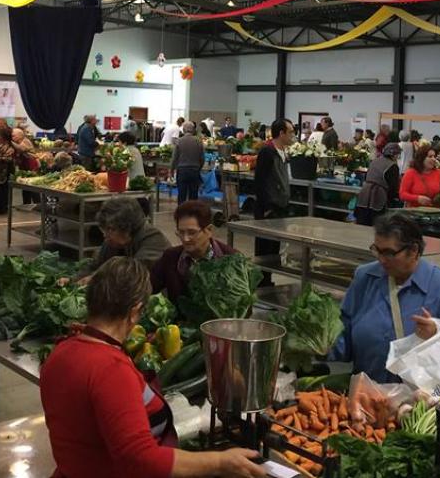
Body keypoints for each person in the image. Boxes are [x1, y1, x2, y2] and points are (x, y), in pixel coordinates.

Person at [41, 257, 266, 478]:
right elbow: (140, 460)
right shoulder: (110, 370)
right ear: (134, 311)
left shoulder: (60, 353)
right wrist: (220, 462)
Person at [331, 213, 440, 383]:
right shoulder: (365, 278)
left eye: (389, 253)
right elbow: (345, 338)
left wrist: (438, 337)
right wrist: (320, 344)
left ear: (414, 251)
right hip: (366, 398)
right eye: (377, 250)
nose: (381, 259)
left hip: (418, 402)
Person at [150, 200, 237, 304]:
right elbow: (149, 288)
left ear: (209, 230)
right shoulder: (170, 257)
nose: (186, 239)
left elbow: (243, 307)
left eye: (192, 232)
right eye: (181, 232)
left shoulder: (232, 260)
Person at [84, 197, 170, 278]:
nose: (105, 235)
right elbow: (94, 265)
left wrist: (95, 278)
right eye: (105, 229)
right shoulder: (114, 240)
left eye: (111, 229)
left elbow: (131, 275)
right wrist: (75, 280)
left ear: (127, 228)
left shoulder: (153, 240)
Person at [254, 118, 294, 283]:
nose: (293, 135)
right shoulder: (266, 152)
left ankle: (268, 280)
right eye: (291, 132)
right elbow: (260, 181)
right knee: (264, 250)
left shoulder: (283, 152)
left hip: (280, 208)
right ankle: (261, 284)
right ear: (281, 133)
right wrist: (266, 207)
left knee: (274, 249)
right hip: (268, 210)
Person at [355, 143, 401, 226]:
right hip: (378, 197)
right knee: (375, 225)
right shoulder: (392, 166)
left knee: (362, 223)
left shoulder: (374, 161)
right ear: (394, 155)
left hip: (364, 194)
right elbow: (393, 188)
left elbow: (367, 177)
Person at [171, 121, 204, 203]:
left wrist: (171, 170)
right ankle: (192, 213)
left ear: (184, 130)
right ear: (193, 130)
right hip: (194, 171)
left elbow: (174, 158)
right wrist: (199, 168)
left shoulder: (179, 141)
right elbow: (202, 158)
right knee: (193, 196)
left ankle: (181, 214)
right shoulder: (199, 141)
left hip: (182, 171)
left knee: (181, 195)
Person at [0, 126, 15, 215]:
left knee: (3, 190)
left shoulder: (10, 147)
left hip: (4, 170)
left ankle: (2, 208)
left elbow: (8, 159)